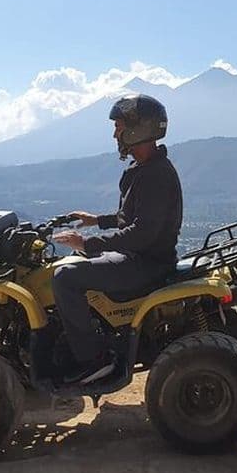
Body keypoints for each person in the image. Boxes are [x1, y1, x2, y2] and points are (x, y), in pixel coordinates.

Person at [52, 94, 183, 384]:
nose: (115, 133)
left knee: (65, 277)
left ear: (140, 129)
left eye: (119, 126)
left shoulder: (155, 174)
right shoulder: (147, 169)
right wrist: (95, 221)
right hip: (142, 258)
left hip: (145, 263)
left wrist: (87, 244)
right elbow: (134, 218)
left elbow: (142, 233)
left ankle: (93, 360)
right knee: (72, 265)